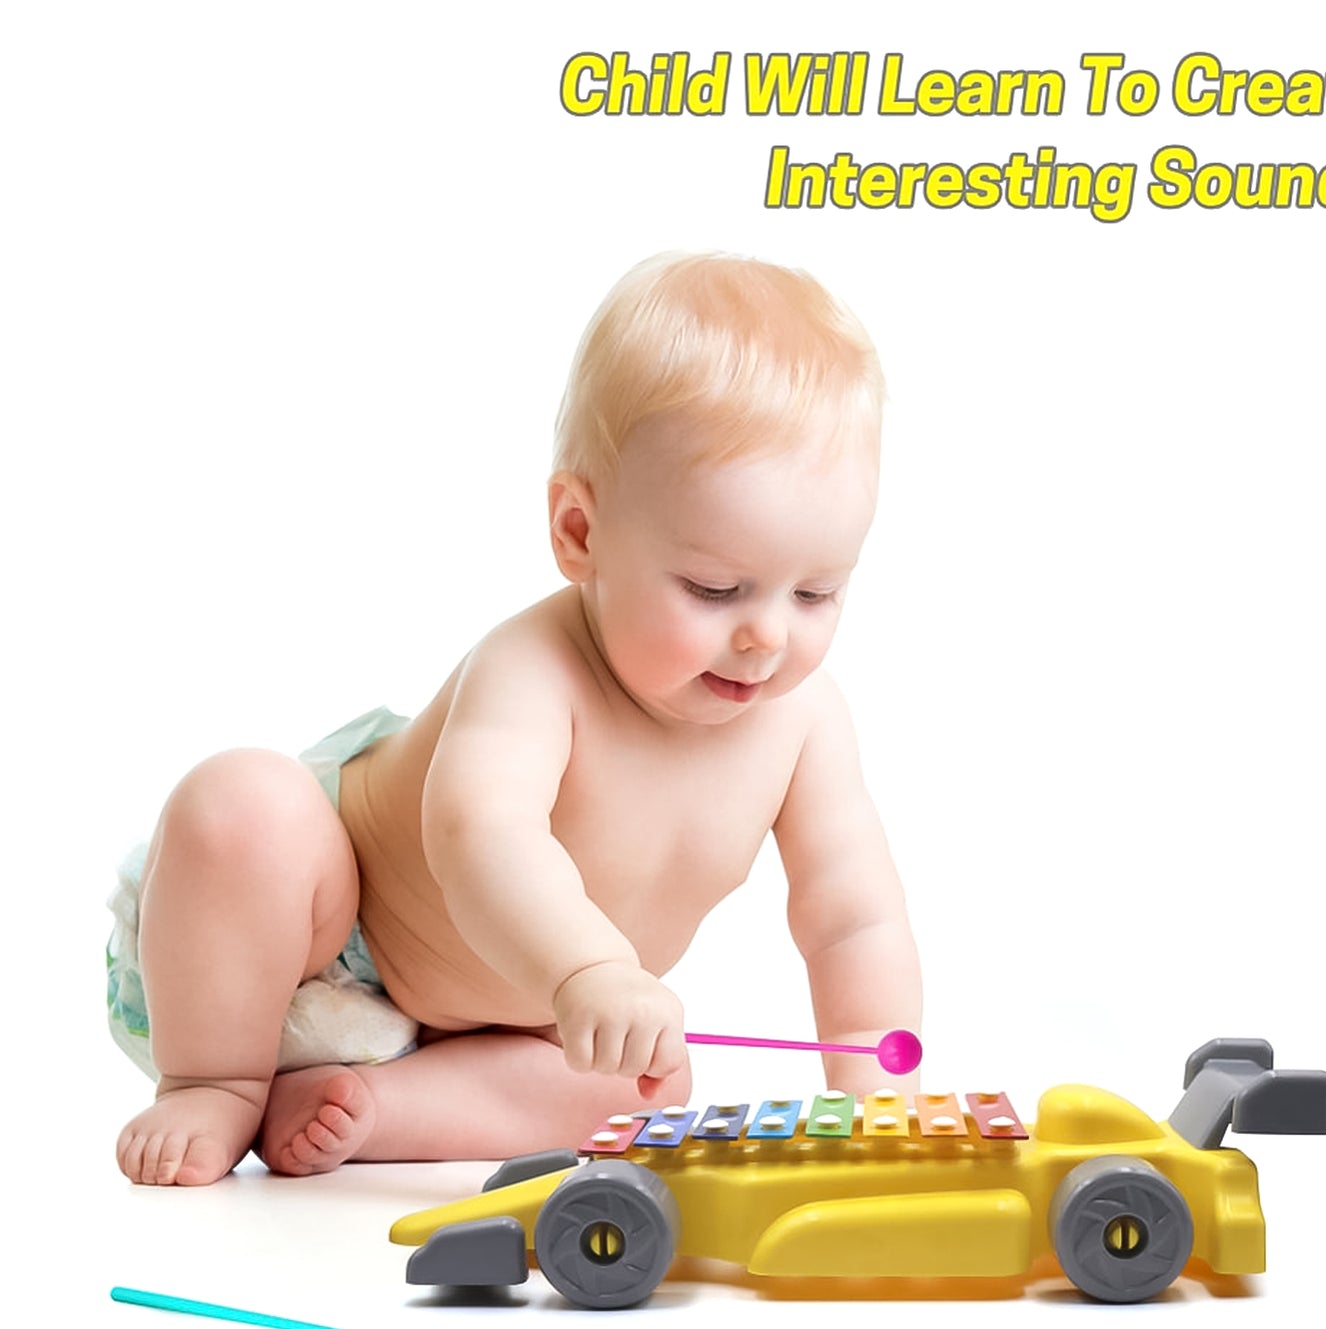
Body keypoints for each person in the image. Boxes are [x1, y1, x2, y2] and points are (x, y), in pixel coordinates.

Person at [111, 252, 923, 1186]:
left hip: (509, 1031)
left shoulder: (805, 726)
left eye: (816, 592)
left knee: (650, 1089)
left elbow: (852, 919)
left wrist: (872, 1074)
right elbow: (479, 834)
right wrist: (587, 970)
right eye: (712, 587)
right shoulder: (534, 669)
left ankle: (373, 1106)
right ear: (581, 534)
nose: (765, 637)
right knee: (243, 803)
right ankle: (214, 1082)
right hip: (307, 946)